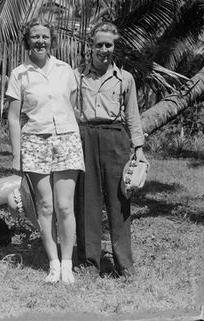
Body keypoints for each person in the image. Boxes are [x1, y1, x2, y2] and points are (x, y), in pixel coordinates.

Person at [6, 17, 85, 284]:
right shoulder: (19, 74)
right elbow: (14, 118)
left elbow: (73, 109)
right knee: (46, 206)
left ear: (52, 41)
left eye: (45, 37)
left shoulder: (66, 70)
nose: (40, 41)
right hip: (35, 143)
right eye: (35, 37)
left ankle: (66, 264)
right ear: (27, 40)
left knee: (65, 206)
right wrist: (17, 155)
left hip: (67, 140)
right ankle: (52, 263)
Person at [74, 21, 149, 278]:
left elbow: (132, 115)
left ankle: (124, 264)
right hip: (86, 137)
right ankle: (89, 263)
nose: (104, 49)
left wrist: (138, 148)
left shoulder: (124, 79)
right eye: (99, 45)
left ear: (114, 47)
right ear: (91, 46)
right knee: (87, 200)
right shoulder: (78, 76)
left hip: (115, 137)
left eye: (109, 44)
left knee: (119, 200)